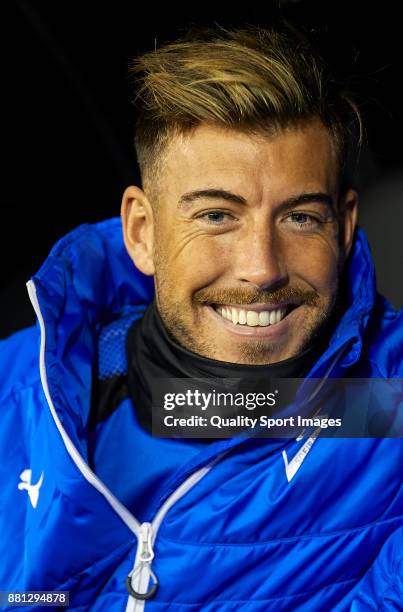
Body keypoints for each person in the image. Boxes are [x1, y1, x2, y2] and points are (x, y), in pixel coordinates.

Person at [0, 20, 402, 611]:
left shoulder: (388, 403)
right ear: (143, 231)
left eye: (300, 218)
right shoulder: (17, 383)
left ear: (343, 228)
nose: (262, 269)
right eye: (217, 216)